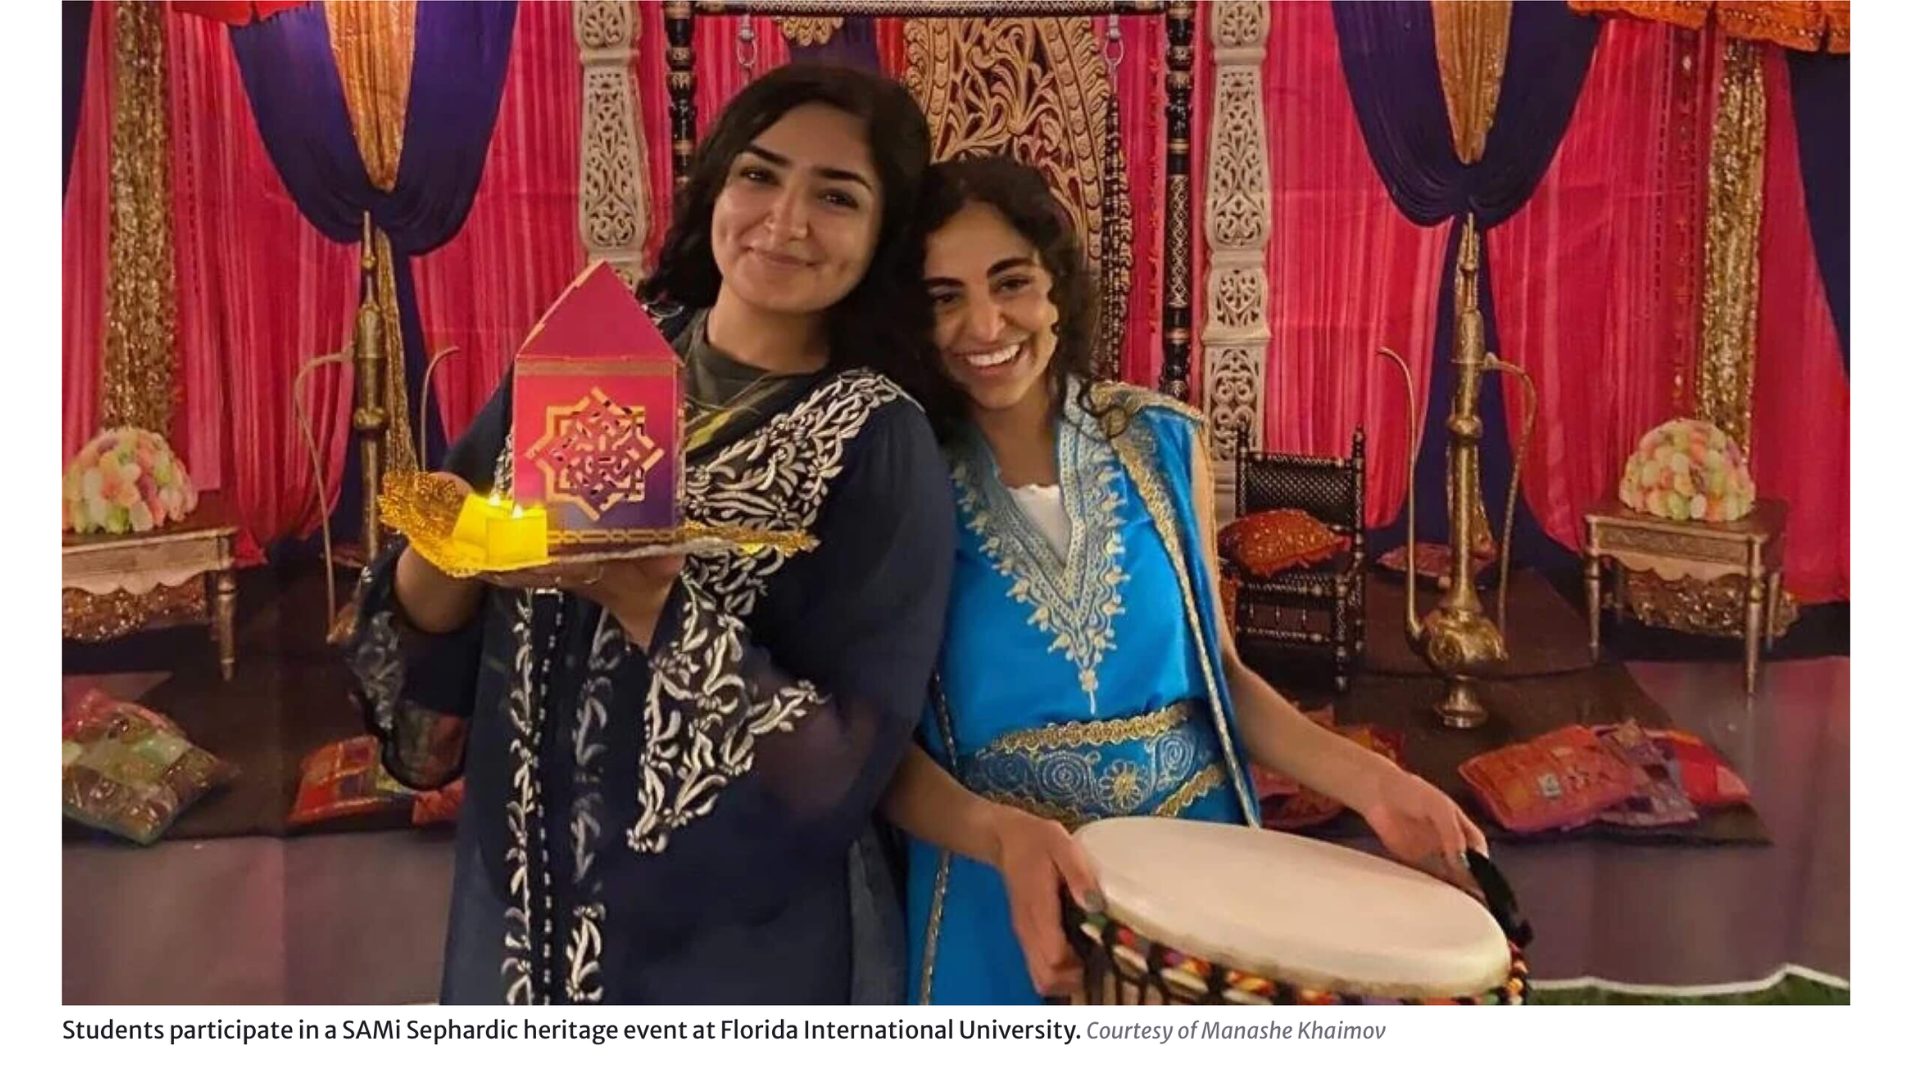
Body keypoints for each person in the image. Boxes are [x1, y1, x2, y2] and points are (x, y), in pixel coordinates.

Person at [343, 64, 954, 1005]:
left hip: (717, 953)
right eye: (759, 174)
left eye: (836, 196)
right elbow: (425, 624)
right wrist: (463, 550)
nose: (785, 220)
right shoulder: (591, 356)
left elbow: (839, 766)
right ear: (715, 186)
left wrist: (653, 603)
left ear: (883, 236)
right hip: (523, 919)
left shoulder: (876, 442)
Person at [886, 157, 1488, 1005]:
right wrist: (999, 835)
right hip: (999, 902)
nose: (983, 322)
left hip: (1199, 894)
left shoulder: (1160, 443)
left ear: (1057, 286)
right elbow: (877, 753)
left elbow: (1225, 683)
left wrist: (1379, 785)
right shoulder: (896, 476)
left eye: (1010, 281)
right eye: (943, 297)